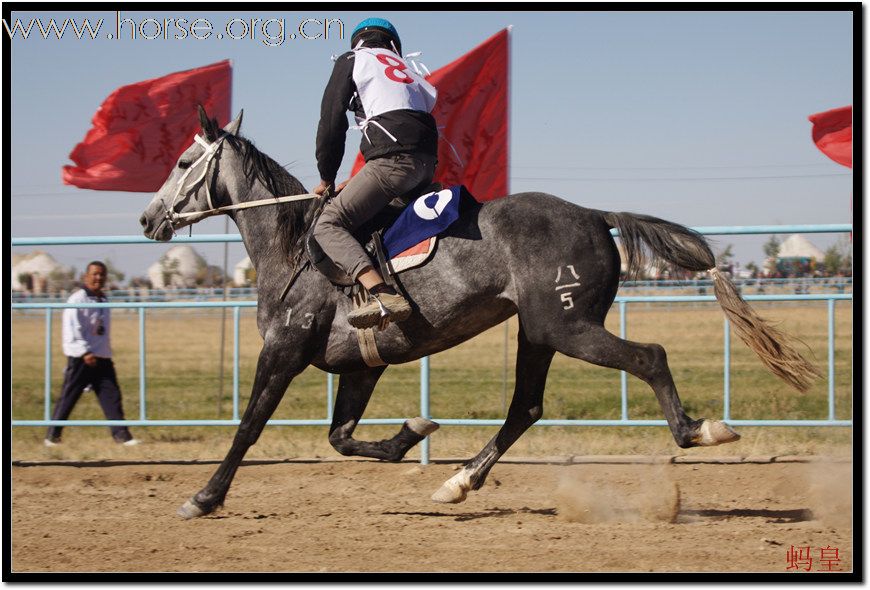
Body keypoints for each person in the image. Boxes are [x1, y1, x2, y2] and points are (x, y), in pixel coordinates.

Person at [312, 17, 439, 329]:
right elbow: (405, 124)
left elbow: (331, 122)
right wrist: (357, 181)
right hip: (426, 166)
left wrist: (327, 177)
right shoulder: (410, 71)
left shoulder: (353, 59)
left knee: (328, 224)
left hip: (392, 165)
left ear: (358, 42)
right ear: (393, 45)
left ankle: (382, 293)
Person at [44, 261, 140, 447]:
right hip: (83, 356)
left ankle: (122, 436)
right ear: (85, 276)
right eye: (95, 274)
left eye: (102, 274)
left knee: (111, 395)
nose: (99, 278)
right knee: (69, 396)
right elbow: (72, 329)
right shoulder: (77, 299)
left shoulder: (103, 299)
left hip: (102, 356)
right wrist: (84, 352)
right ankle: (52, 435)